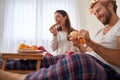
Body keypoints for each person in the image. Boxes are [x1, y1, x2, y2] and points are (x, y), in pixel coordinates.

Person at [0, 0, 120, 80]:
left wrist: (90, 42)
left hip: (108, 70)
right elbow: (88, 51)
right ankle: (4, 63)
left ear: (110, 5)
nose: (97, 16)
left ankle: (18, 78)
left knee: (80, 60)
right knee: (47, 60)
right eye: (95, 13)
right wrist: (80, 45)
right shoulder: (100, 32)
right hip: (89, 58)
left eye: (98, 11)